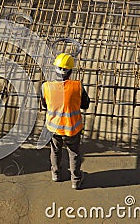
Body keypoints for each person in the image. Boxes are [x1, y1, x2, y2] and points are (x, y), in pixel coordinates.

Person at [41, 53, 90, 189]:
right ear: (70, 71)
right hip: (72, 128)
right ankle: (76, 180)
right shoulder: (77, 86)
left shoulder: (46, 87)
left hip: (54, 127)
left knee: (55, 151)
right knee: (73, 153)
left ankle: (55, 174)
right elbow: (85, 105)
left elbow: (45, 105)